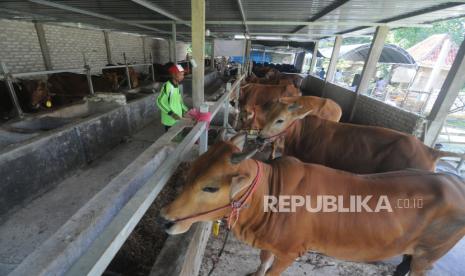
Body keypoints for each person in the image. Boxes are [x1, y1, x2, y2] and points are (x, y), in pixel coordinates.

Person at [156, 64, 188, 131]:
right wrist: (171, 113)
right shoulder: (167, 86)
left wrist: (185, 110)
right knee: (170, 138)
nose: (183, 76)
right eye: (181, 74)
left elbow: (179, 101)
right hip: (170, 120)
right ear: (173, 75)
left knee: (177, 138)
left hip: (177, 118)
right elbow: (159, 101)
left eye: (183, 74)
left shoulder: (176, 85)